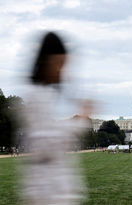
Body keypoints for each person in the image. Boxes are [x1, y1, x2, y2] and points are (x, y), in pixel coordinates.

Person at [21, 32, 85, 205]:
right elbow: (46, 143)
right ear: (48, 62)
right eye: (60, 64)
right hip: (47, 192)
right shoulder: (37, 96)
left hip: (52, 190)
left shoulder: (46, 95)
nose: (62, 71)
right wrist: (80, 121)